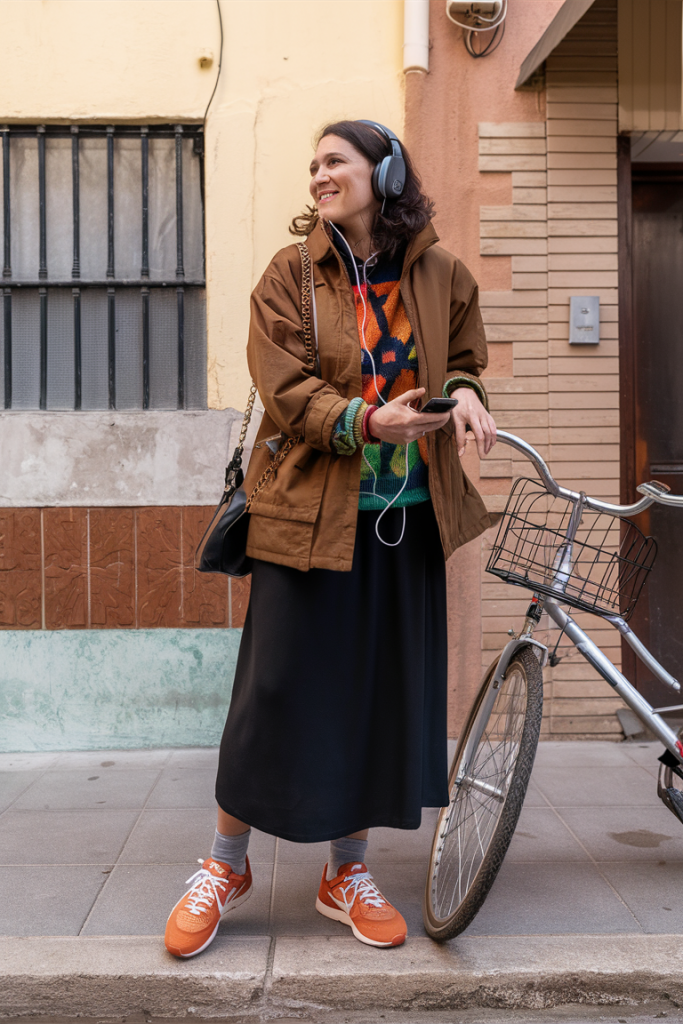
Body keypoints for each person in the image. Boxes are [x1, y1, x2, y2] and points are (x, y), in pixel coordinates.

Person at [164, 119, 496, 958]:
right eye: (311, 164)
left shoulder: (440, 271)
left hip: (406, 522)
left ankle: (345, 872)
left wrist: (462, 393)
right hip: (306, 515)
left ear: (384, 174)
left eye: (334, 161)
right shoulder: (290, 276)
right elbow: (281, 388)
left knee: (375, 697)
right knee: (270, 693)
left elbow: (462, 355)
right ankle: (224, 863)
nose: (317, 175)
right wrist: (361, 420)